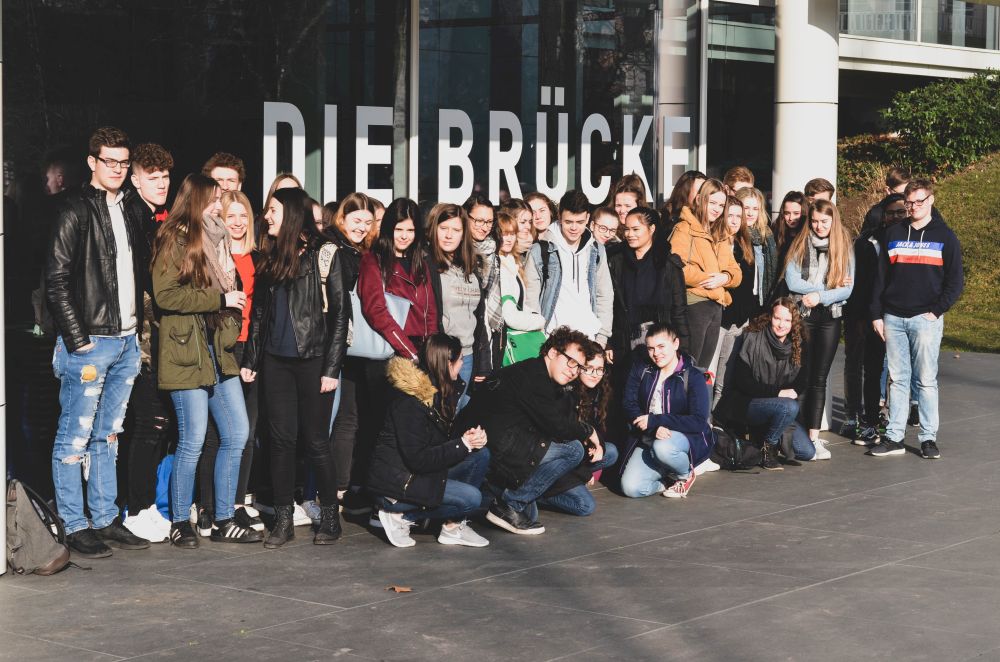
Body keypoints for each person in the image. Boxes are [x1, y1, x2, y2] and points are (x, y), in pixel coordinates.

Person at [45, 126, 151, 558]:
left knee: (108, 435)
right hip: (90, 342)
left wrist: (136, 335)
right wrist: (78, 339)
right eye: (110, 161)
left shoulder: (131, 207)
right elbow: (55, 280)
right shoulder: (74, 208)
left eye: (124, 162)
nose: (118, 169)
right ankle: (74, 523)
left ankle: (105, 518)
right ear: (92, 162)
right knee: (74, 437)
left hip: (125, 340)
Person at [151, 174, 259, 547]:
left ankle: (225, 518)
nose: (218, 206)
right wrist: (219, 301)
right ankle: (180, 521)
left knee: (237, 432)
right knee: (193, 438)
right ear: (196, 200)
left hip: (217, 351)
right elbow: (166, 296)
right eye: (212, 200)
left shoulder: (217, 239)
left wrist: (229, 314)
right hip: (186, 351)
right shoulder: (174, 238)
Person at [241, 187, 349, 547]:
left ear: (290, 213)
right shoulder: (270, 255)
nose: (266, 216)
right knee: (280, 441)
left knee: (316, 440)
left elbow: (340, 317)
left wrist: (331, 369)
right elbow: (259, 315)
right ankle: (283, 520)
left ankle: (330, 518)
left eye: (273, 210)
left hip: (314, 360)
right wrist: (252, 359)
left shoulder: (325, 254)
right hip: (276, 362)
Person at [461, 327, 600, 535]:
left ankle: (497, 498)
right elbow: (558, 426)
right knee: (574, 450)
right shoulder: (533, 378)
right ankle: (508, 505)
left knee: (531, 514)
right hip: (489, 449)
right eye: (571, 362)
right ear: (552, 352)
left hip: (501, 445)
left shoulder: (537, 373)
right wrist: (588, 431)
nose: (574, 371)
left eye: (579, 367)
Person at [367, 334, 491, 548]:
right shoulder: (410, 401)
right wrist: (463, 444)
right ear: (448, 364)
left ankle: (452, 527)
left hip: (421, 473)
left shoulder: (442, 390)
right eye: (460, 359)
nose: (463, 364)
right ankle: (401, 516)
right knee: (471, 499)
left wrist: (470, 438)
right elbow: (418, 459)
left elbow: (442, 440)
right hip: (397, 485)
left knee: (480, 456)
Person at [869, 179, 964, 459]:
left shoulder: (946, 237)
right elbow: (880, 278)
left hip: (926, 319)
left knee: (925, 381)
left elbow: (955, 282)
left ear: (931, 200)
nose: (913, 207)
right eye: (909, 202)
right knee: (898, 380)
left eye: (919, 201)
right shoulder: (893, 233)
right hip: (893, 317)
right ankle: (894, 437)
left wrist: (936, 311)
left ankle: (928, 438)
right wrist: (876, 314)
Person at [191, 190, 264, 537]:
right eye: (228, 216)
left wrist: (253, 356)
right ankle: (207, 505)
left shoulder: (258, 259)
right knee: (213, 435)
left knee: (245, 432)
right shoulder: (211, 253)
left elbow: (260, 312)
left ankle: (234, 504)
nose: (236, 222)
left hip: (248, 348)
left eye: (242, 215)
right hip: (218, 346)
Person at [120, 142, 175, 543]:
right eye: (152, 176)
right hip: (138, 340)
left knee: (156, 424)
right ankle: (135, 508)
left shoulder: (156, 218)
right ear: (135, 179)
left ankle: (146, 504)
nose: (161, 183)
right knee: (147, 422)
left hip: (153, 338)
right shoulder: (133, 216)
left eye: (165, 176)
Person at [784, 198, 854, 460]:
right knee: (801, 374)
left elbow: (848, 289)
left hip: (829, 317)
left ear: (833, 220)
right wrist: (828, 289)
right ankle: (796, 433)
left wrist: (820, 296)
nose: (819, 226)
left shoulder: (843, 245)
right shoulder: (800, 243)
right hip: (804, 314)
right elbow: (792, 281)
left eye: (824, 221)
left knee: (819, 378)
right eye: (814, 221)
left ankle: (813, 436)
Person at [714, 299, 816, 470]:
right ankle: (769, 447)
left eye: (787, 320)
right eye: (777, 318)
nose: (781, 324)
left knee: (807, 452)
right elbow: (743, 382)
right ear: (770, 317)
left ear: (794, 322)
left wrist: (783, 396)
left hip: (779, 406)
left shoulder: (800, 342)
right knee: (789, 407)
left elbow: (801, 382)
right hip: (750, 403)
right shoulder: (752, 337)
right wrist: (778, 393)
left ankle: (770, 433)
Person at [324, 192, 378, 508]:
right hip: (334, 343)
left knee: (348, 416)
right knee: (331, 418)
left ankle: (340, 485)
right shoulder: (332, 247)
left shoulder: (362, 251)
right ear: (342, 218)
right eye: (356, 220)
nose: (362, 227)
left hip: (354, 345)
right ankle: (326, 487)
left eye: (367, 222)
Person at [620, 323, 713, 498]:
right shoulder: (641, 369)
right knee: (631, 488)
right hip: (649, 435)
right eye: (651, 348)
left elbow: (699, 421)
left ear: (675, 344)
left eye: (661, 346)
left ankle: (684, 474)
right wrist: (652, 428)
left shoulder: (693, 376)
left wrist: (656, 420)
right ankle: (667, 480)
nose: (656, 353)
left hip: (682, 438)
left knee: (663, 448)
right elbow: (629, 404)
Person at [843, 194, 906, 446]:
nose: (896, 217)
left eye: (901, 212)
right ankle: (868, 422)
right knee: (871, 370)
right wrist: (862, 316)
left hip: (903, 314)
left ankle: (895, 425)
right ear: (882, 216)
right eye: (891, 213)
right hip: (871, 316)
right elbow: (860, 284)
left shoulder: (914, 239)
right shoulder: (868, 242)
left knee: (901, 373)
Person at [531, 343, 619, 516]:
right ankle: (536, 492)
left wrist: (598, 446)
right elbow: (564, 444)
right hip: (555, 459)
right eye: (589, 368)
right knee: (584, 506)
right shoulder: (566, 392)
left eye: (599, 369)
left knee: (610, 452)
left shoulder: (597, 391)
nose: (595, 374)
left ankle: (566, 481)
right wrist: (583, 474)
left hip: (576, 457)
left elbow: (597, 430)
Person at [670, 178, 742, 370]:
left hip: (716, 305)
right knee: (688, 368)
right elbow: (676, 268)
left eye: (721, 205)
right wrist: (709, 278)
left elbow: (736, 272)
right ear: (700, 199)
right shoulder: (684, 229)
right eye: (713, 202)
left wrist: (724, 278)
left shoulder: (721, 233)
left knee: (702, 370)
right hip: (694, 304)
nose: (717, 209)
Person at [526, 189, 613, 346]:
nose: (574, 228)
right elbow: (531, 299)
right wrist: (538, 337)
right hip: (551, 339)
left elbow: (604, 295)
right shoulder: (540, 250)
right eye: (568, 222)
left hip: (589, 338)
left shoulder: (596, 250)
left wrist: (602, 338)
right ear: (559, 217)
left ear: (588, 218)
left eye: (580, 222)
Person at [425, 203, 492, 408]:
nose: (449, 235)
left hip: (468, 356)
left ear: (464, 234)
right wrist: (438, 358)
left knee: (463, 417)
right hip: (442, 358)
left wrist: (483, 361)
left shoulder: (471, 266)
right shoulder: (426, 264)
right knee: (442, 416)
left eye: (456, 230)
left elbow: (478, 317)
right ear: (434, 229)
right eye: (443, 228)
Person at [607, 206, 689, 365]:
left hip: (659, 340)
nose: (629, 234)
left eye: (636, 229)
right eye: (626, 229)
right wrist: (608, 342)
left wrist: (683, 350)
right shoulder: (615, 259)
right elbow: (609, 305)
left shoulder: (667, 263)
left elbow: (679, 311)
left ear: (651, 229)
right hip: (623, 339)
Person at [713, 196, 757, 403]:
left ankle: (718, 417)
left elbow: (749, 286)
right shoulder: (713, 243)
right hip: (717, 317)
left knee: (725, 379)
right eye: (730, 215)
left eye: (738, 216)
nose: (734, 220)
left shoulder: (744, 244)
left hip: (738, 321)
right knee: (709, 375)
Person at [495, 209, 546, 358]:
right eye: (504, 234)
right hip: (508, 341)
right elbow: (510, 316)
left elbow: (519, 304)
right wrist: (539, 321)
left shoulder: (511, 262)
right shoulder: (500, 267)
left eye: (512, 234)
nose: (508, 239)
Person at [464, 193, 504, 370]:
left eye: (489, 222)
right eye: (479, 221)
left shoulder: (492, 251)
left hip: (484, 331)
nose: (485, 227)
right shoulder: (457, 250)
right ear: (466, 217)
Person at [734, 186, 778, 308]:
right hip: (737, 303)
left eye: (755, 209)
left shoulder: (766, 235)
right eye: (746, 208)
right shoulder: (732, 235)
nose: (750, 213)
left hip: (760, 301)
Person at [861, 167, 910, 234]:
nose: (906, 197)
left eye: (908, 192)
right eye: (901, 194)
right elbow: (865, 238)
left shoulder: (914, 209)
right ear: (888, 190)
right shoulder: (876, 214)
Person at [775, 190, 807, 268]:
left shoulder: (809, 237)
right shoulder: (776, 233)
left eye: (796, 213)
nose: (791, 218)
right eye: (787, 213)